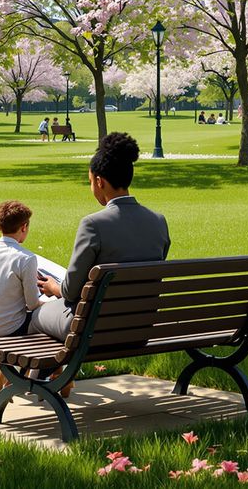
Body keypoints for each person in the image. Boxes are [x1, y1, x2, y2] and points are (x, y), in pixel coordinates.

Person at [31, 131, 170, 347]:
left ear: (99, 181)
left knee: (35, 316)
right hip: (140, 325)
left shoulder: (93, 225)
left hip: (92, 326)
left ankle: (46, 379)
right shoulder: (159, 221)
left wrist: (53, 287)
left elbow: (70, 292)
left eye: (90, 182)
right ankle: (60, 381)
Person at [0, 200, 43, 395]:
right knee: (47, 321)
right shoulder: (26, 258)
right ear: (24, 227)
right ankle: (30, 378)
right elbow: (32, 303)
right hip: (10, 330)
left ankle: (0, 381)